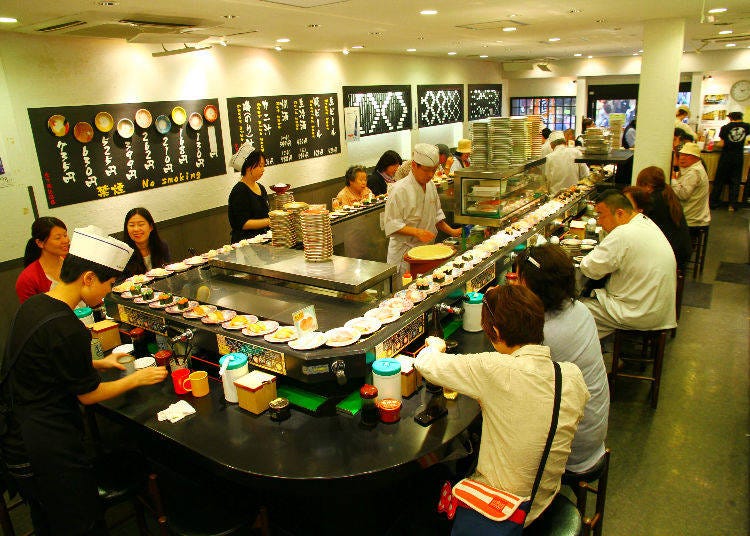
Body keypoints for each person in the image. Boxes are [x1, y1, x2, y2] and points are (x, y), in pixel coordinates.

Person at [1, 226, 168, 535]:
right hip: (41, 448)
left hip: (15, 438)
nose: (107, 291)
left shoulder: (36, 306)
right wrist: (138, 378)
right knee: (76, 522)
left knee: (46, 519)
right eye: (108, 284)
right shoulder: (67, 326)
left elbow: (45, 359)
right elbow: (89, 395)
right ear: (88, 278)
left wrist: (96, 361)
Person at [415, 285, 589, 527]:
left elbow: (427, 364)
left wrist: (435, 345)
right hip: (545, 497)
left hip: (504, 512)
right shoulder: (572, 376)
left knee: (430, 482)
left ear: (495, 330)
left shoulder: (496, 369)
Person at [517, 244, 609, 475]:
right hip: (593, 434)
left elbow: (510, 382)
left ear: (531, 286)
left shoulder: (543, 335)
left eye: (519, 281)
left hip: (570, 450)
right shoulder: (580, 310)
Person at [580, 190, 677, 338]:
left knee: (575, 311)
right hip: (658, 309)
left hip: (638, 313)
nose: (599, 221)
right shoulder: (646, 222)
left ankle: (583, 356)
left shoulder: (623, 233)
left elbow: (589, 268)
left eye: (601, 214)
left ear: (619, 213)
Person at [384, 143, 462, 274]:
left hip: (427, 251)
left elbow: (437, 215)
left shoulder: (431, 185)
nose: (431, 175)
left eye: (434, 170)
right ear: (414, 166)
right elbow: (392, 225)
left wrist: (452, 232)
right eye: (426, 170)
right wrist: (418, 233)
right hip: (404, 255)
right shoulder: (399, 190)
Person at [635, 166, 693, 271]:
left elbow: (643, 227)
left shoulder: (655, 201)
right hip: (682, 248)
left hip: (673, 252)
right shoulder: (666, 193)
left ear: (648, 186)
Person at [15, 217, 70, 304]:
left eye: (65, 235)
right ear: (40, 243)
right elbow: (32, 312)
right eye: (58, 238)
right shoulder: (28, 279)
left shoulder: (73, 262)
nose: (66, 240)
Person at [227, 148, 270, 243]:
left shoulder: (261, 188)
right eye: (260, 166)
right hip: (245, 244)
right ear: (248, 167)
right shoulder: (239, 190)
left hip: (263, 240)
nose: (263, 169)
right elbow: (243, 223)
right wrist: (270, 221)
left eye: (263, 166)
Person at [711, 111, 750, 212]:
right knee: (736, 181)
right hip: (738, 156)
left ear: (730, 118)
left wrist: (714, 144)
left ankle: (713, 203)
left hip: (726, 156)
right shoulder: (746, 126)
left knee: (719, 180)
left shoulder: (725, 128)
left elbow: (721, 144)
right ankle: (732, 205)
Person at [672, 143, 711, 230]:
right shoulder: (692, 169)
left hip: (692, 220)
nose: (682, 158)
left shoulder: (694, 172)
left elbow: (683, 195)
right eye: (681, 154)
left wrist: (673, 179)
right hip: (695, 217)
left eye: (687, 155)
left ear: (696, 157)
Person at [122, 207, 171, 277]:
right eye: (131, 225)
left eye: (141, 224)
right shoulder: (123, 253)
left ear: (151, 227)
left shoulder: (162, 246)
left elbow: (168, 271)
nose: (136, 229)